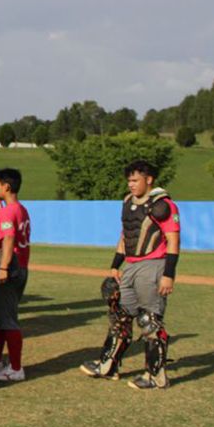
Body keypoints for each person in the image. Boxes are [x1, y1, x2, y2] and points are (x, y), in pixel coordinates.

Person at [86, 160, 180, 390]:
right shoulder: (128, 203)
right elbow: (126, 234)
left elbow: (174, 241)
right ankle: (108, 365)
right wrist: (116, 263)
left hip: (153, 265)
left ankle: (156, 376)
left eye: (135, 180)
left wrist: (168, 274)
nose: (131, 184)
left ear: (149, 180)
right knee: (120, 314)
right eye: (129, 180)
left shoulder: (163, 205)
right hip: (131, 265)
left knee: (150, 320)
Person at [0, 168, 31, 382]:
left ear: (6, 186)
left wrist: (3, 267)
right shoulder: (22, 209)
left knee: (8, 319)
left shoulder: (7, 211)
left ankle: (15, 368)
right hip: (21, 267)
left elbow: (9, 239)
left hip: (10, 268)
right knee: (0, 317)